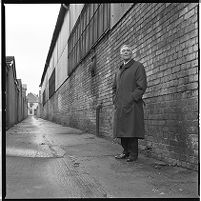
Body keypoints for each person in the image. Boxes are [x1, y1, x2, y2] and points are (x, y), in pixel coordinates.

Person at [112, 44, 147, 162]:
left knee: (131, 130)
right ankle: (125, 151)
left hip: (132, 105)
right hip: (120, 105)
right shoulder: (119, 70)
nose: (126, 52)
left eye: (128, 50)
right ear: (120, 54)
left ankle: (133, 154)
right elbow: (114, 88)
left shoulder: (138, 66)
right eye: (123, 51)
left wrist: (131, 98)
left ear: (131, 53)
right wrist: (115, 100)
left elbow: (141, 86)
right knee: (121, 130)